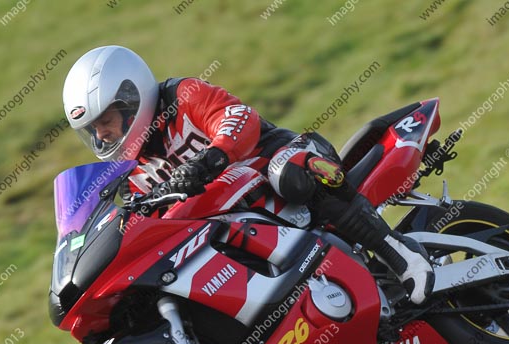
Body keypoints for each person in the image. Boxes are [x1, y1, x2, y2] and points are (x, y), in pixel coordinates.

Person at [62, 46, 433, 304]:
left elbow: (239, 119)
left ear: (130, 100)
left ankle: (399, 253)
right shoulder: (133, 170)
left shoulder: (183, 95)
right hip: (236, 219)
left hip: (278, 159)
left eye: (104, 122)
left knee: (288, 171)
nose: (100, 136)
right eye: (91, 130)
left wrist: (210, 160)